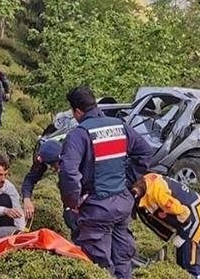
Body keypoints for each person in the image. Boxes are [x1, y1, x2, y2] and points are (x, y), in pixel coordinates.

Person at [59, 86, 154, 279]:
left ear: (77, 111)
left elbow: (68, 173)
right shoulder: (120, 126)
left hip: (96, 209)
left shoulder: (79, 135)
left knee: (98, 265)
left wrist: (73, 203)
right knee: (122, 260)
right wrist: (126, 181)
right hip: (122, 205)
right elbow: (145, 152)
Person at [132, 173, 200, 279]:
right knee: (181, 262)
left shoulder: (159, 194)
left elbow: (184, 213)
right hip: (189, 219)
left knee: (190, 263)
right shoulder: (147, 181)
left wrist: (182, 234)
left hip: (196, 219)